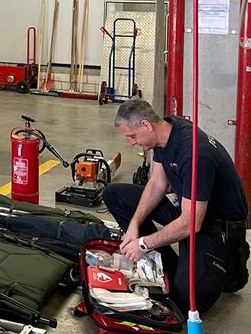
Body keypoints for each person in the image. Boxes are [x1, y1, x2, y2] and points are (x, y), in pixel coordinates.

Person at [103, 98, 249, 314]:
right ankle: (167, 266)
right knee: (114, 194)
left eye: (132, 136)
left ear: (146, 125)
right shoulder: (164, 135)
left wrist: (143, 244)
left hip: (214, 226)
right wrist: (134, 225)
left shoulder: (194, 154)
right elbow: (157, 183)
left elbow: (191, 223)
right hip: (189, 209)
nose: (131, 143)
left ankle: (230, 263)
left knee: (186, 302)